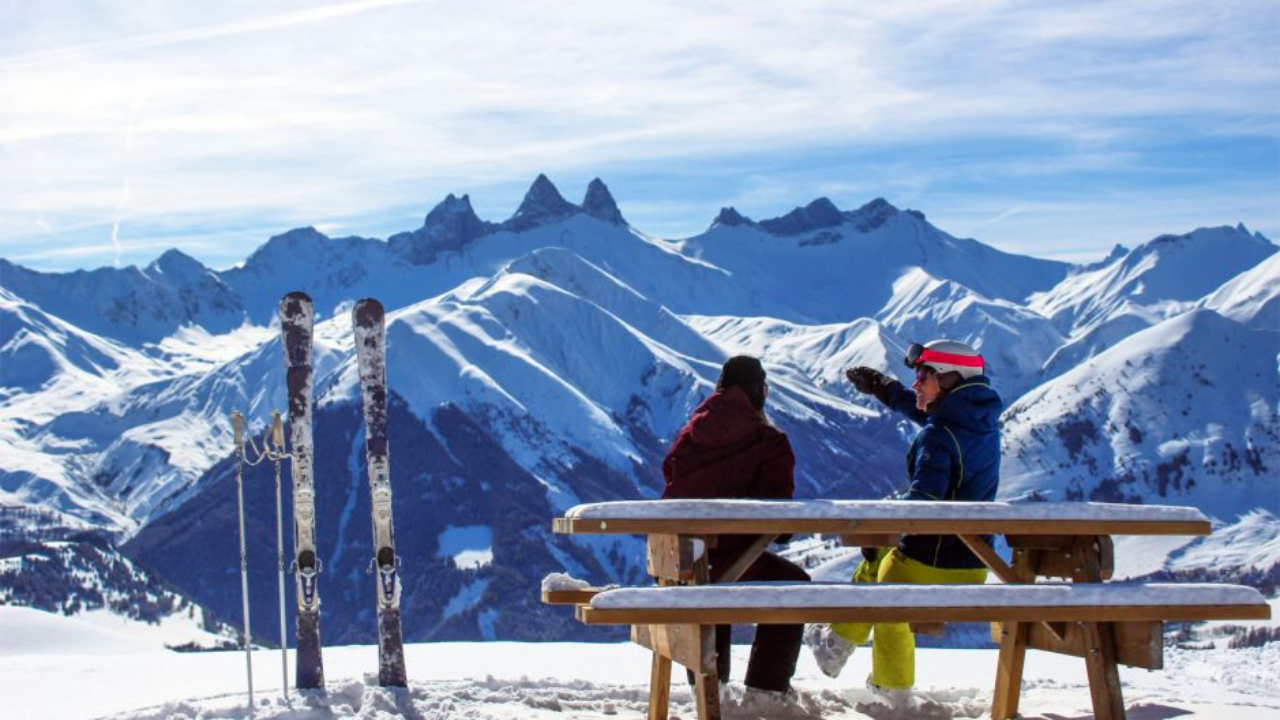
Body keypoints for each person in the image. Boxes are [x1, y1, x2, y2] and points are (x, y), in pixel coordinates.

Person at [805, 339, 1003, 695]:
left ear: (948, 380)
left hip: (931, 564)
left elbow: (921, 505)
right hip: (975, 562)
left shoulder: (940, 436)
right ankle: (837, 642)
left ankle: (889, 689)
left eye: (924, 375)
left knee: (886, 586)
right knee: (880, 561)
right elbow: (929, 414)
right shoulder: (980, 424)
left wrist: (876, 530)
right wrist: (885, 389)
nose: (916, 383)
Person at [662, 355, 810, 698]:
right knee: (792, 585)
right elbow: (782, 525)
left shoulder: (690, 434)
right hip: (734, 562)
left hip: (680, 560)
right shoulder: (769, 441)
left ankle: (711, 690)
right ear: (761, 392)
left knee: (709, 580)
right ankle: (766, 693)